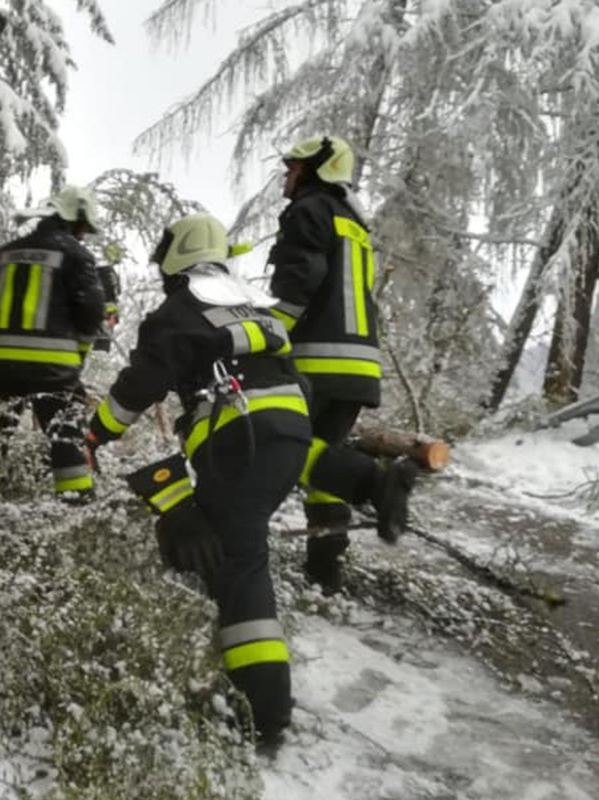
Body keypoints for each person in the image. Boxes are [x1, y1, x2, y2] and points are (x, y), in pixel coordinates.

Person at [86, 212, 311, 747]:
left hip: (240, 440)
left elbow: (140, 384)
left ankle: (264, 716)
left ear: (176, 256)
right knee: (217, 531)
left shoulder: (179, 309)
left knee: (240, 565)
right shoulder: (251, 301)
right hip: (289, 436)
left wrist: (97, 433)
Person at [267, 135, 419, 594]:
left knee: (282, 446)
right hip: (357, 366)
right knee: (324, 463)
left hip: (317, 362)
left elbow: (301, 282)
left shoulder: (309, 210)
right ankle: (324, 572)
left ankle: (375, 482)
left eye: (293, 167)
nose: (287, 176)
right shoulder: (354, 222)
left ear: (315, 170)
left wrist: (264, 334)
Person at [0, 185, 106, 504]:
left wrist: (3, 321)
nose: (84, 235)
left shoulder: (9, 250)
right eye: (84, 228)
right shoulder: (76, 255)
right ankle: (76, 504)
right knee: (65, 436)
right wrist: (76, 353)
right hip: (52, 369)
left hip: (1, 366)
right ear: (77, 221)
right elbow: (91, 314)